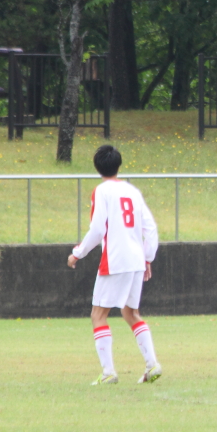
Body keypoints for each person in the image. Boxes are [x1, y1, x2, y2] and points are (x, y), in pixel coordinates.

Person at [67, 145, 161, 386]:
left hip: (115, 260)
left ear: (97, 166)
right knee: (131, 313)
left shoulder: (101, 192)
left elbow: (98, 229)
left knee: (98, 314)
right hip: (136, 260)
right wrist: (148, 257)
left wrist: (77, 253)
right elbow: (150, 227)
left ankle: (108, 371)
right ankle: (152, 364)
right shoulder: (132, 191)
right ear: (118, 165)